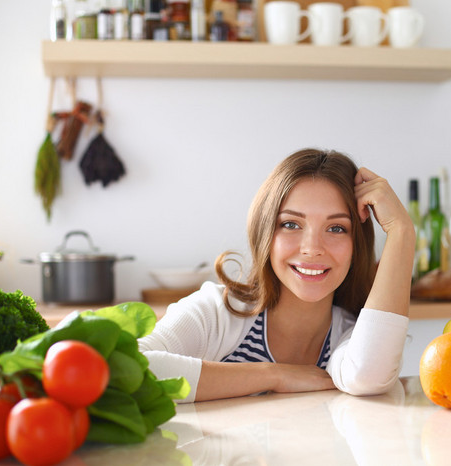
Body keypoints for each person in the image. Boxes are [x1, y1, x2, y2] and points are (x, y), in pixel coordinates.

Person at [138, 148, 416, 402]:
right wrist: (275, 375)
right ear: (265, 232)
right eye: (291, 224)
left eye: (336, 228)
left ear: (357, 245)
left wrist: (401, 231)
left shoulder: (352, 335)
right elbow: (133, 367)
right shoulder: (218, 312)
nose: (312, 249)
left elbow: (367, 377)